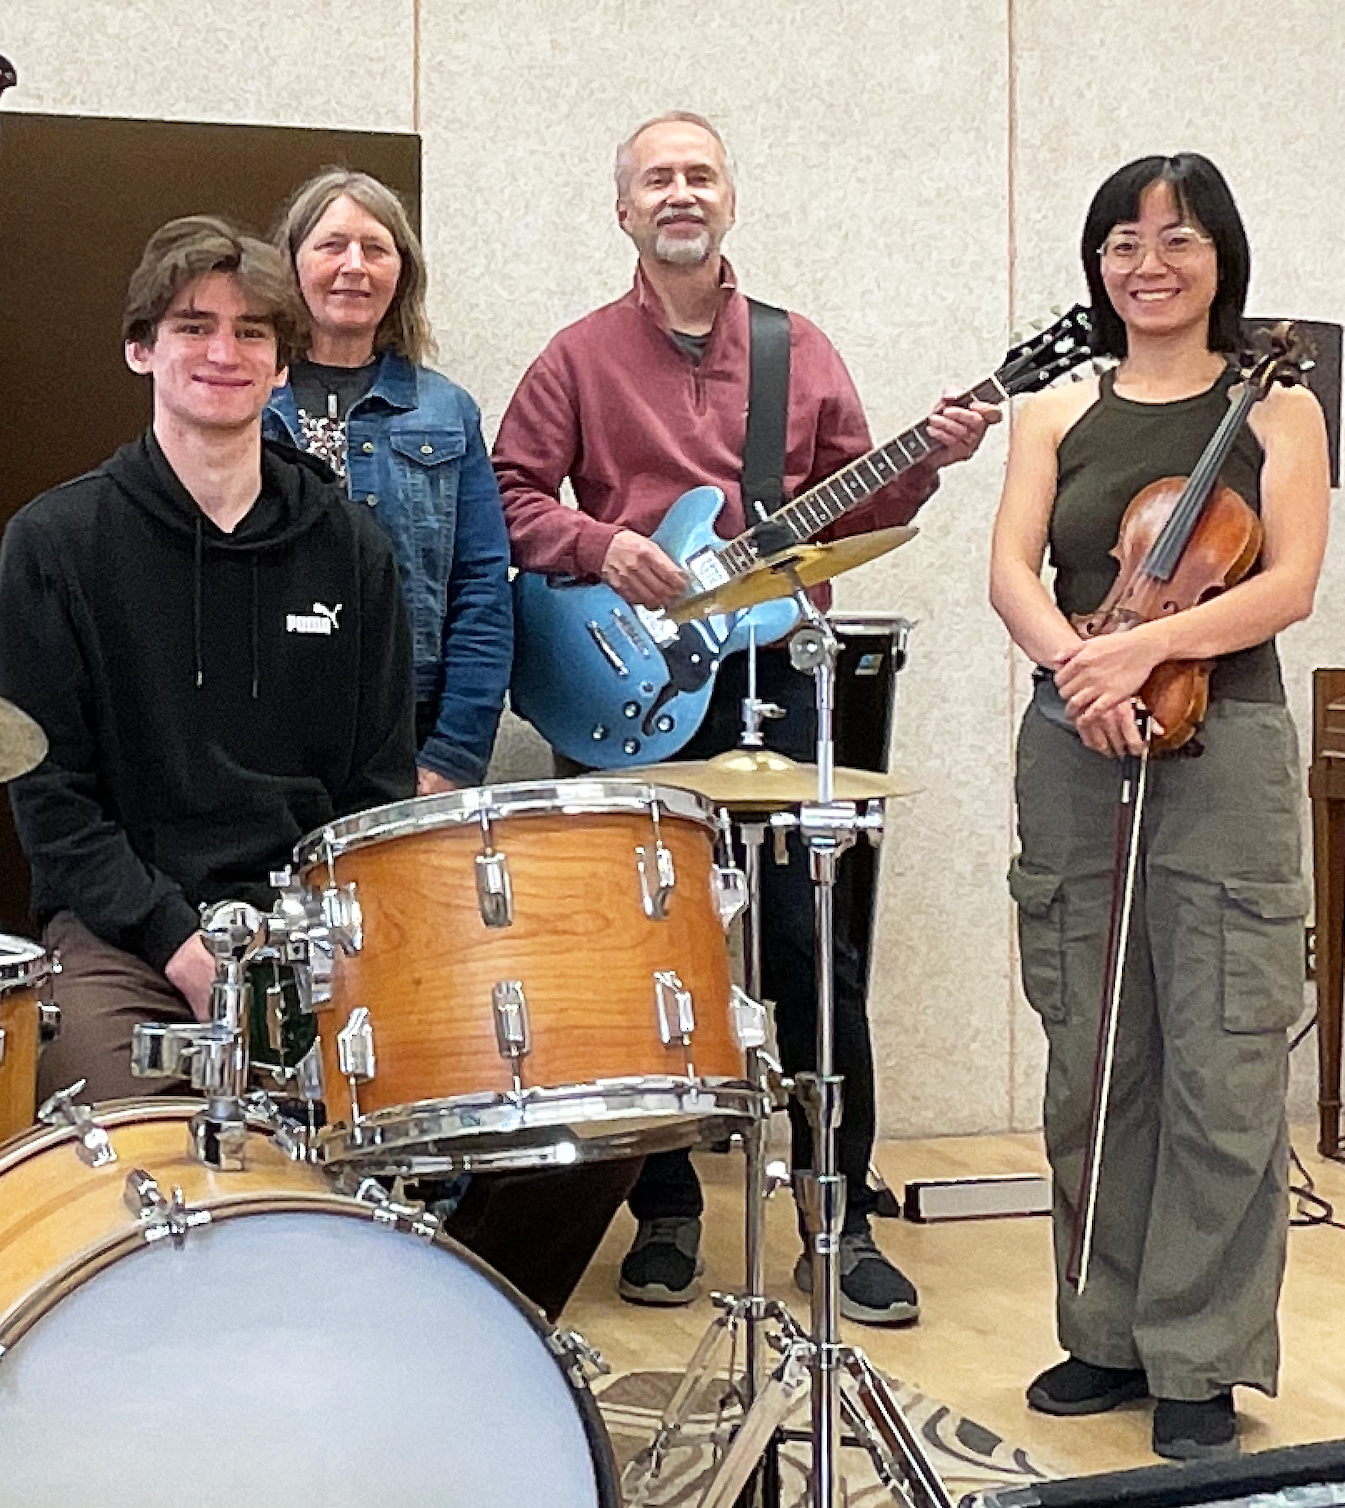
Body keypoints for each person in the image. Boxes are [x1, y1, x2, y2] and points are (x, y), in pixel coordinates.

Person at [491, 111, 999, 1324]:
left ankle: (843, 1209)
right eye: (656, 177)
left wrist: (929, 456)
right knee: (641, 955)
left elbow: (860, 501)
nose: (679, 191)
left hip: (775, 682)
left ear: (729, 200)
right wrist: (603, 544)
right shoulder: (575, 356)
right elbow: (505, 494)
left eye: (699, 173)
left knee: (813, 950)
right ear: (623, 210)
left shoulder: (797, 348)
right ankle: (661, 1203)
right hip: (619, 683)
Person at [990, 153, 1327, 1461]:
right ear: (1099, 264)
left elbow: (1288, 580)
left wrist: (1136, 653)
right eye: (1124, 242)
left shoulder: (1279, 410)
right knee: (1094, 1056)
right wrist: (1084, 665)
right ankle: (1105, 1333)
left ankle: (1201, 1356)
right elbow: (1015, 568)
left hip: (1224, 742)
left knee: (1224, 1064)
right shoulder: (1056, 410)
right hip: (1074, 742)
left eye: (1178, 240)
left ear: (1219, 258)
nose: (1150, 263)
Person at [0, 215, 413, 1106]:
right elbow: (53, 802)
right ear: (142, 350)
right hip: (124, 936)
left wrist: (295, 956)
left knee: (451, 1101)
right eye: (194, 326)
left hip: (305, 933)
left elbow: (376, 790)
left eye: (252, 331)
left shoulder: (354, 548)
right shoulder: (55, 543)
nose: (225, 352)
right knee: (118, 1139)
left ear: (283, 364)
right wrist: (179, 945)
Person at [263, 169, 512, 791]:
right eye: (331, 246)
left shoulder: (447, 412)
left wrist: (454, 754)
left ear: (402, 272)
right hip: (266, 722)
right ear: (290, 265)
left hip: (414, 727)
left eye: (375, 249)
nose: (355, 266)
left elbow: (480, 586)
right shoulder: (246, 403)